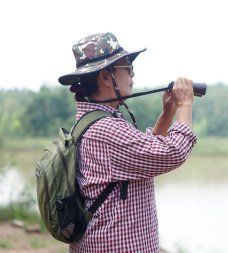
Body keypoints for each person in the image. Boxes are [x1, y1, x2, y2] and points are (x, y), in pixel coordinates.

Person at [58, 32, 197, 253]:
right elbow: (173, 152)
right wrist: (185, 106)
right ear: (106, 77)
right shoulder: (107, 130)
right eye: (127, 68)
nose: (132, 75)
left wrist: (167, 114)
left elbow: (144, 158)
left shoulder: (93, 122)